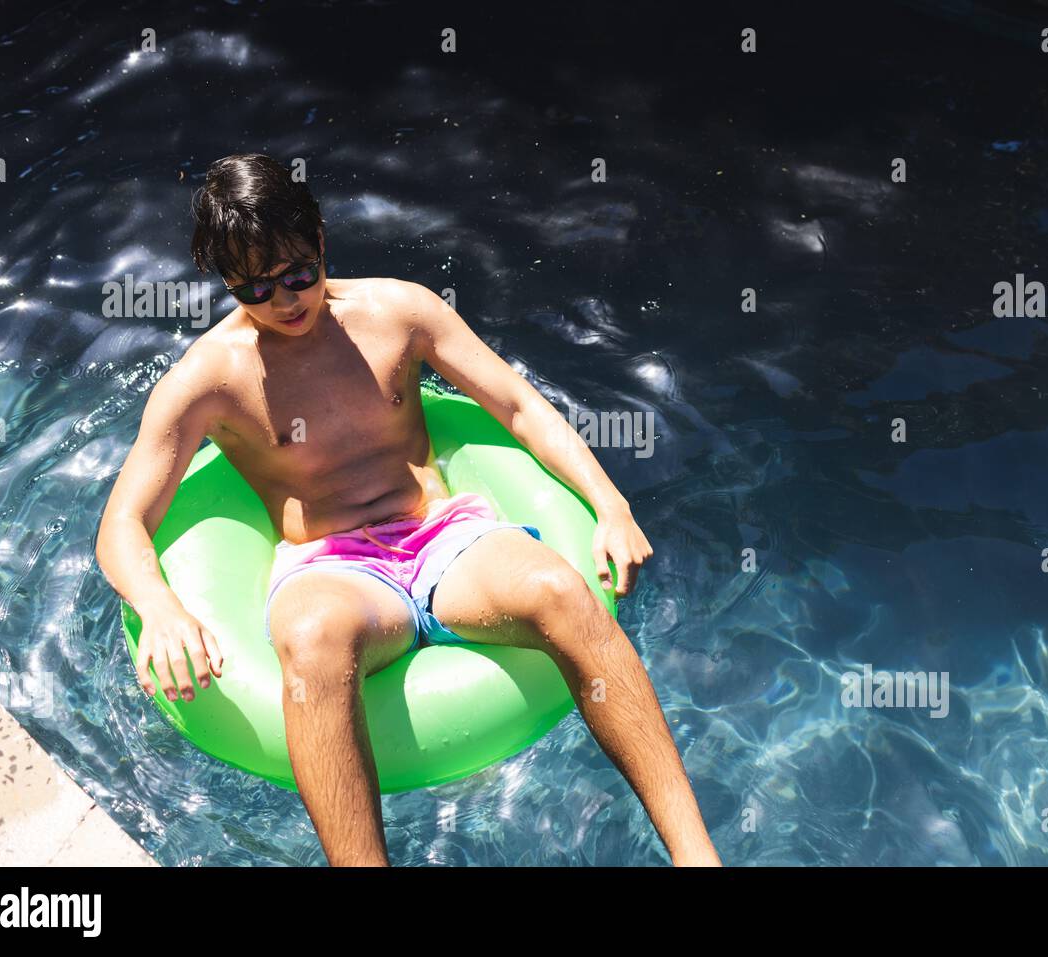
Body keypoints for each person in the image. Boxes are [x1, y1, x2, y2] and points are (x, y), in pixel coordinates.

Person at [95, 153, 721, 867]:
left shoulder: (400, 312)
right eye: (257, 288)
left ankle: (695, 853)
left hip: (444, 540)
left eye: (299, 274)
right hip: (334, 567)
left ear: (322, 239)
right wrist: (161, 606)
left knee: (560, 589)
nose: (286, 301)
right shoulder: (208, 377)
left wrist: (610, 503)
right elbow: (121, 523)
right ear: (229, 285)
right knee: (309, 637)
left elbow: (518, 407)